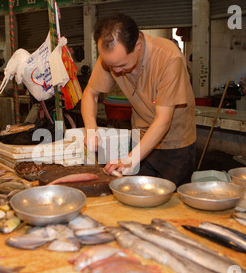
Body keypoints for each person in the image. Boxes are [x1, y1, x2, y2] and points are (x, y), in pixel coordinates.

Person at [81, 14, 196, 187]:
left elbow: (163, 120)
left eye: (122, 65)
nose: (116, 71)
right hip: (140, 139)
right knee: (135, 195)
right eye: (110, 66)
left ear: (138, 45)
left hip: (175, 144)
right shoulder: (112, 58)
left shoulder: (169, 58)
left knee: (171, 204)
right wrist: (91, 129)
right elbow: (91, 93)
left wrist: (130, 159)